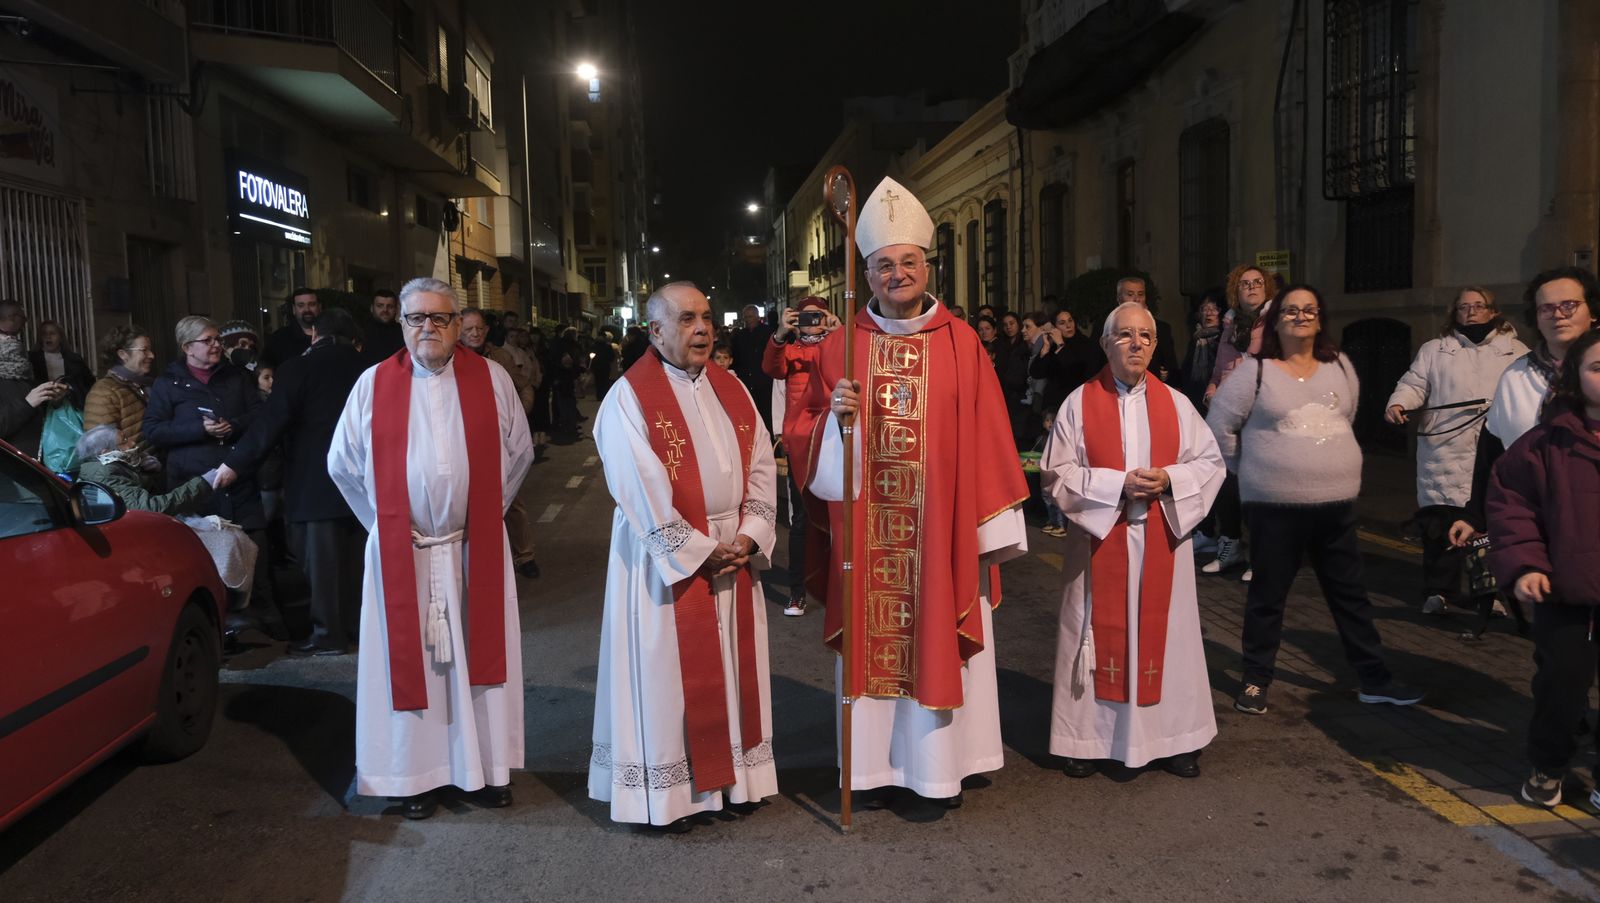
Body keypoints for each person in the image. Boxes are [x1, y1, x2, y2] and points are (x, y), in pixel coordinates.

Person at [801, 177, 1029, 805]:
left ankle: (942, 767)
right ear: (867, 275)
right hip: (871, 534)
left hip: (945, 530)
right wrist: (833, 421)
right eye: (882, 265)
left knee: (943, 629)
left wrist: (988, 534)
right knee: (876, 636)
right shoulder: (840, 348)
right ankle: (873, 771)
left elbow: (988, 434)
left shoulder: (961, 343)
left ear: (926, 267)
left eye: (907, 262)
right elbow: (805, 436)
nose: (896, 274)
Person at [327, 276, 533, 820]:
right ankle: (411, 777)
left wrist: (482, 517)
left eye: (439, 318)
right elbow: (342, 463)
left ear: (456, 323)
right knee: (410, 667)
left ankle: (485, 772)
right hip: (406, 553)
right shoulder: (374, 384)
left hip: (472, 549)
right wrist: (387, 527)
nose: (428, 328)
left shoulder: (490, 378)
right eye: (416, 318)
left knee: (481, 663)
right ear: (401, 323)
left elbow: (519, 452)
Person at [589, 281, 779, 829]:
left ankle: (735, 781)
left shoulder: (733, 388)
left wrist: (750, 531)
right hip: (664, 563)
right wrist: (696, 550)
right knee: (667, 675)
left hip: (730, 553)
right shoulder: (628, 395)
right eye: (687, 319)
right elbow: (637, 484)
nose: (701, 328)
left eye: (707, 318)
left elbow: (762, 461)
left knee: (731, 671)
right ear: (656, 330)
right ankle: (676, 795)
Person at [1206, 285, 1424, 715]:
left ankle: (1374, 679)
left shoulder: (1339, 365)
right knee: (1268, 595)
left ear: (1320, 319)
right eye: (1291, 310)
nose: (1300, 316)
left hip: (1336, 506)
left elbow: (1348, 415)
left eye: (1309, 310)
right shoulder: (1256, 372)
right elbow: (1219, 428)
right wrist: (1251, 471)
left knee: (1350, 596)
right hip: (1274, 508)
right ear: (1276, 321)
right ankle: (1256, 678)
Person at [1041, 302, 1226, 778]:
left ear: (1155, 345)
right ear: (1105, 344)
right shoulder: (1078, 403)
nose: (1136, 343)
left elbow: (1210, 465)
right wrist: (1115, 487)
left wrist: (1169, 481)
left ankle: (1174, 739)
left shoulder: (1178, 404)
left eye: (1145, 336)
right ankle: (1088, 741)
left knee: (1171, 639)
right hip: (1101, 541)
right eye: (1124, 335)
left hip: (1162, 539)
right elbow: (1055, 476)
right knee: (1094, 638)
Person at [1487, 328, 1600, 808]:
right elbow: (1512, 506)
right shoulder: (1544, 443)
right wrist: (1526, 564)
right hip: (1564, 592)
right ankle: (1549, 765)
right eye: (1598, 367)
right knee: (1561, 687)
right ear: (1574, 374)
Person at [220, 308, 369, 656]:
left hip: (314, 481)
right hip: (366, 480)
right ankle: (361, 630)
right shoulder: (370, 369)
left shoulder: (299, 367)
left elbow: (271, 423)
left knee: (321, 563)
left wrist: (235, 464)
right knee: (359, 561)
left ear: (314, 333)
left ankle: (328, 634)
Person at [1383, 287, 1527, 615]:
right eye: (1464, 307)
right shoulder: (1435, 350)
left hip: (1492, 452)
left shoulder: (1516, 352)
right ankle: (1438, 591)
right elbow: (1415, 383)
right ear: (1455, 313)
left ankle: (1487, 596)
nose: (1471, 312)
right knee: (1439, 527)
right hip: (1444, 453)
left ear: (1493, 311)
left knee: (1487, 529)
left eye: (1478, 306)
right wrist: (1399, 402)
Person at [144, 315, 282, 638]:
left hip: (238, 477)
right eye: (208, 340)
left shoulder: (235, 377)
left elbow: (260, 415)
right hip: (195, 485)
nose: (217, 345)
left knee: (255, 547)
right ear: (187, 348)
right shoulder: (169, 383)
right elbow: (153, 429)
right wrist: (198, 429)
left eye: (217, 339)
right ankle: (218, 628)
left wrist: (233, 424)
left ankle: (268, 621)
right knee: (208, 557)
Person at [1449, 268, 1599, 550]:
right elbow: (1492, 453)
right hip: (1534, 530)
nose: (1558, 314)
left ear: (1592, 311)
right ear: (1537, 319)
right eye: (1547, 308)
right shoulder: (1516, 376)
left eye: (1569, 305)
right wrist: (1475, 515)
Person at [762, 295, 838, 616]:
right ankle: (798, 592)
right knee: (801, 521)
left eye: (817, 316)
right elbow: (771, 367)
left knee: (840, 519)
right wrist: (780, 333)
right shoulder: (789, 351)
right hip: (801, 447)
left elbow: (859, 364)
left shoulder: (839, 346)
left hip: (836, 444)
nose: (811, 323)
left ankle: (839, 589)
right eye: (804, 317)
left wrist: (841, 331)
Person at [1201, 264, 1276, 580]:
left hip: (1260, 414)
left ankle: (1264, 557)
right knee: (1227, 484)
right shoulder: (1230, 322)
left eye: (1257, 282)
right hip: (1230, 413)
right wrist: (1212, 387)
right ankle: (1230, 545)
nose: (1251, 287)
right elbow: (1220, 367)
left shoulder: (1276, 322)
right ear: (1236, 290)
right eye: (1245, 283)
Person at [460, 308, 540, 580]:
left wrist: (520, 413)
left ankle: (524, 554)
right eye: (469, 329)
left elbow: (522, 384)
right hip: (465, 448)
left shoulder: (499, 359)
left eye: (479, 328)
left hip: (499, 443)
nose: (475, 333)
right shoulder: (448, 362)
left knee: (511, 500)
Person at [0, 299, 69, 456]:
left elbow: (33, 408)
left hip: (37, 456)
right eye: (4, 335)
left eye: (14, 336)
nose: (12, 342)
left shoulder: (23, 364)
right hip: (11, 465)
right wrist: (28, 403)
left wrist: (52, 398)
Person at [83, 325, 158, 457]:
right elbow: (101, 447)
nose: (151, 355)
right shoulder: (104, 392)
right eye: (144, 350)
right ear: (122, 354)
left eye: (150, 350)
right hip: (132, 471)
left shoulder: (145, 385)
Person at [1109, 277, 1178, 385]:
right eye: (1130, 294)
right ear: (1119, 298)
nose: (1136, 299)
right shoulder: (1105, 327)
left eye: (1140, 294)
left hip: (1152, 390)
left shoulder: (1162, 329)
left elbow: (1171, 368)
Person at [730, 304, 775, 431]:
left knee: (765, 416)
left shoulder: (767, 332)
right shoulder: (740, 336)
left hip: (764, 381)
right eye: (746, 317)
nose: (748, 319)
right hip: (746, 381)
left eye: (750, 316)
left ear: (757, 317)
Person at [29, 319, 94, 408]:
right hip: (42, 408)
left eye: (52, 333)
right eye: (44, 333)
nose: (48, 337)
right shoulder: (31, 359)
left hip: (71, 406)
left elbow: (88, 384)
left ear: (60, 337)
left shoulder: (74, 359)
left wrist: (69, 389)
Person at [1180, 293, 1223, 411]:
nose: (1209, 313)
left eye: (1215, 308)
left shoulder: (1225, 340)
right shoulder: (1195, 340)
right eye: (1205, 308)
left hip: (1216, 404)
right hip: (1194, 405)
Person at [263, 288, 319, 366]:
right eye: (301, 305)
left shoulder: (331, 335)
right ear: (294, 309)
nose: (307, 309)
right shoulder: (279, 339)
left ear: (319, 307)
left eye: (311, 304)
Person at [363, 289, 405, 365]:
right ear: (372, 308)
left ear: (396, 310)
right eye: (380, 306)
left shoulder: (405, 334)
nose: (385, 310)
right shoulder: (362, 334)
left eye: (390, 306)